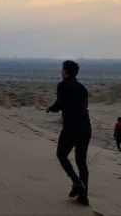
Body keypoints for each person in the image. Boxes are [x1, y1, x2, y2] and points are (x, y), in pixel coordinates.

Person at [46, 60, 91, 206]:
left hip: (71, 128)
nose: (61, 72)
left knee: (61, 155)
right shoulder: (82, 88)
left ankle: (77, 183)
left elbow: (60, 105)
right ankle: (83, 197)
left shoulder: (63, 85)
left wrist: (49, 109)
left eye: (62, 70)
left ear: (65, 72)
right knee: (81, 162)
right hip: (85, 128)